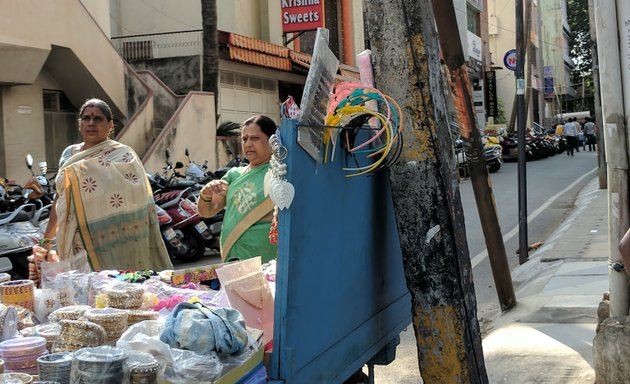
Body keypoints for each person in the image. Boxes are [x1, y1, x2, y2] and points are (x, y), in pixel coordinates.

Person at [41, 98, 173, 272]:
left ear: (110, 125)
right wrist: (47, 241)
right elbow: (60, 199)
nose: (91, 123)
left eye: (98, 119)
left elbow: (139, 197)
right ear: (80, 124)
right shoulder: (69, 155)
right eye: (86, 118)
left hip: (115, 240)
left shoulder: (123, 155)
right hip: (78, 240)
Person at [198, 115, 277, 263]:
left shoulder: (281, 173)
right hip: (234, 257)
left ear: (272, 140)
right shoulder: (234, 175)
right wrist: (205, 194)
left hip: (267, 262)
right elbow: (208, 211)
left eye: (255, 138)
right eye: (244, 139)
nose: (248, 144)